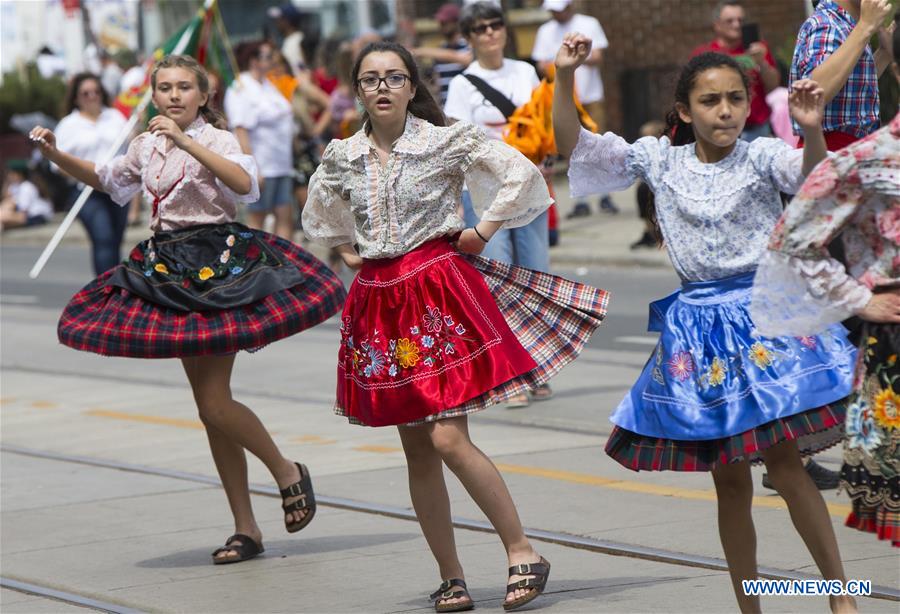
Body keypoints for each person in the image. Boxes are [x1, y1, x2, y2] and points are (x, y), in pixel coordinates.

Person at [554, 36, 858, 612]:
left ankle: (840, 597)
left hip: (764, 317)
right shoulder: (658, 158)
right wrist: (563, 77)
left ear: (748, 105)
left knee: (788, 466)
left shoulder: (763, 155)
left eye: (736, 99)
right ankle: (750, 606)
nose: (725, 111)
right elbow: (575, 145)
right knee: (729, 479)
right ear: (685, 110)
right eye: (712, 101)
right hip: (696, 329)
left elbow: (818, 182)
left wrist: (812, 130)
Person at [302, 40, 608, 612]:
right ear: (359, 90)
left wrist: (483, 229)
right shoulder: (342, 155)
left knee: (447, 436)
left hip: (436, 293)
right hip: (378, 303)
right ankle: (452, 576)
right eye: (371, 79)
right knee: (418, 449)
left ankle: (522, 550)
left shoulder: (444, 140)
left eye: (395, 77)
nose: (383, 87)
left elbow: (520, 174)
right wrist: (347, 250)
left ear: (413, 87)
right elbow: (320, 213)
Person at [30, 54, 346, 566]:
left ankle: (287, 470)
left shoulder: (216, 140)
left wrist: (184, 141)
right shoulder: (145, 144)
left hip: (217, 267)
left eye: (184, 88)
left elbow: (245, 186)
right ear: (152, 96)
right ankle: (246, 528)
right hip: (168, 268)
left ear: (203, 97)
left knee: (216, 402)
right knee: (207, 410)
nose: (174, 96)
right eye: (165, 88)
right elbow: (110, 179)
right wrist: (55, 154)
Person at [751, 13, 900, 548]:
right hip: (834, 171)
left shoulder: (859, 25)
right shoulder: (828, 25)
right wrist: (865, 28)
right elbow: (808, 99)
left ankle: (815, 444)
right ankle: (799, 446)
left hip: (862, 167)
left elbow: (872, 73)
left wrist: (882, 43)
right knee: (837, 315)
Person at [445, 0, 554, 407]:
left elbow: (542, 122)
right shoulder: (462, 84)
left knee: (536, 275)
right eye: (480, 28)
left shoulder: (525, 72)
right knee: (499, 277)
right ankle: (510, 374)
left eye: (495, 25)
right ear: (469, 38)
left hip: (529, 185)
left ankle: (538, 366)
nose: (490, 33)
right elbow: (457, 142)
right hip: (485, 192)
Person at [531, 0, 617, 215]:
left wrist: (572, 59)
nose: (557, 14)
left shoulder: (588, 23)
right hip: (565, 99)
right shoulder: (545, 30)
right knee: (570, 147)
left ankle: (605, 195)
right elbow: (541, 63)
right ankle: (582, 199)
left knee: (598, 143)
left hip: (590, 95)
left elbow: (597, 56)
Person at [53, 73, 130, 275]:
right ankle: (105, 291)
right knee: (102, 236)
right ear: (76, 97)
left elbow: (130, 151)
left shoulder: (115, 117)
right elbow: (58, 164)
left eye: (95, 91)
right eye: (85, 93)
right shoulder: (68, 125)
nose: (91, 96)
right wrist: (82, 172)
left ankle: (116, 287)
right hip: (86, 190)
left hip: (116, 188)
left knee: (115, 239)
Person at [790, 0, 893, 149]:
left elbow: (849, 83)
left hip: (844, 150)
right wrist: (865, 27)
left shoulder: (845, 24)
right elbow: (813, 93)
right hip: (829, 152)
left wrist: (884, 53)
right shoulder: (827, 24)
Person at [225, 41, 296, 241]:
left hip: (281, 163)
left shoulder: (268, 84)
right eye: (267, 56)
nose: (272, 60)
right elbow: (240, 129)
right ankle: (256, 265)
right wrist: (252, 167)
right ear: (253, 60)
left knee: (285, 214)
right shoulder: (241, 87)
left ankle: (283, 265)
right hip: (262, 165)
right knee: (258, 219)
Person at [690, 1, 779, 142]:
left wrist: (762, 62)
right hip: (721, 127)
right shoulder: (705, 53)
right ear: (717, 25)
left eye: (740, 20)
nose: (736, 25)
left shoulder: (758, 49)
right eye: (730, 21)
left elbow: (773, 85)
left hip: (757, 128)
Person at [412, 3, 473, 106]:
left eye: (445, 22)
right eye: (440, 22)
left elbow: (466, 59)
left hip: (466, 105)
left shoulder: (468, 45)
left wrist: (420, 51)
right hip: (447, 108)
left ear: (456, 22)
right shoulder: (440, 50)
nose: (441, 25)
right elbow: (438, 84)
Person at [629, 120, 665, 250]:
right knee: (643, 194)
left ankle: (656, 235)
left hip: (658, 189)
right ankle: (650, 233)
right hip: (645, 188)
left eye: (647, 136)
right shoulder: (641, 152)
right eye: (642, 136)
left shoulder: (663, 151)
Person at [0, 159, 54, 231]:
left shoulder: (26, 187)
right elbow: (7, 201)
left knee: (3, 217)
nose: (8, 175)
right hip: (27, 215)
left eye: (10, 173)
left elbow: (23, 212)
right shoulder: (15, 186)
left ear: (19, 174)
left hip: (37, 216)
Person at [268, 2, 305, 77]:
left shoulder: (294, 43)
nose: (276, 23)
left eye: (279, 19)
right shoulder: (293, 40)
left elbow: (298, 73)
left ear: (287, 21)